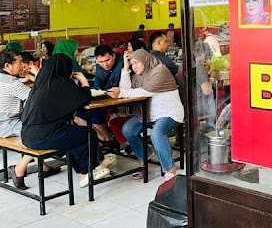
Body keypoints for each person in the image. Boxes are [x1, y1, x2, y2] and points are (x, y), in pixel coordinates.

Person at [21, 54, 110, 188]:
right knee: (87, 133)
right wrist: (83, 80)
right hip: (43, 136)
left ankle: (96, 164)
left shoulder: (41, 83)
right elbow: (85, 97)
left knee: (73, 134)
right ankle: (87, 172)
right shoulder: (61, 83)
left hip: (27, 135)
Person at [108, 49, 184, 182]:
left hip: (168, 112)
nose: (134, 66)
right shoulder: (138, 76)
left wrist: (121, 93)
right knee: (128, 130)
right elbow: (126, 89)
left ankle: (170, 169)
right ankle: (147, 156)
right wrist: (125, 69)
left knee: (156, 133)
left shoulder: (160, 71)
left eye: (137, 63)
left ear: (146, 60)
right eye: (132, 64)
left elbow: (145, 92)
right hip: (148, 114)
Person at [0, 50, 59, 189]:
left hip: (5, 121)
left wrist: (26, 77)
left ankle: (43, 167)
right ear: (8, 66)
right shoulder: (12, 83)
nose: (23, 65)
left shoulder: (6, 79)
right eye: (20, 62)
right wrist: (36, 74)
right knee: (42, 133)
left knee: (32, 128)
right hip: (6, 124)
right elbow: (40, 98)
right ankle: (19, 169)